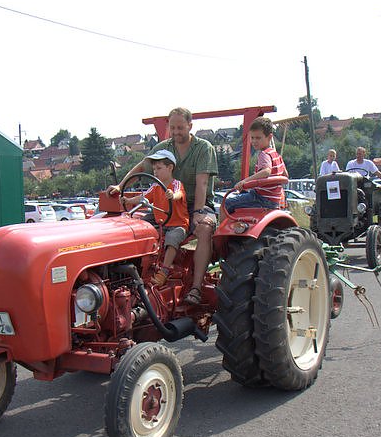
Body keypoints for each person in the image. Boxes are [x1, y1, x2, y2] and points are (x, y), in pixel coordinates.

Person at [107, 107, 218, 305]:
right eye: (172, 128)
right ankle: (137, 278)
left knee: (204, 228)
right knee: (136, 228)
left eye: (180, 128)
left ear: (190, 126)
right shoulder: (163, 148)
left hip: (196, 203)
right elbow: (142, 167)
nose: (176, 132)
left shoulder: (203, 148)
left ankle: (196, 288)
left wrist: (198, 212)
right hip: (165, 204)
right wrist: (120, 186)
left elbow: (202, 183)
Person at [122, 150, 189, 285]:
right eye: (154, 169)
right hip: (162, 223)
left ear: (170, 168)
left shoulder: (176, 184)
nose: (155, 172)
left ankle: (164, 272)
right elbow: (143, 198)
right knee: (139, 229)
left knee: (172, 238)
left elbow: (179, 194)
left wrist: (172, 195)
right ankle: (140, 266)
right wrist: (128, 201)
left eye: (159, 168)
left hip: (178, 224)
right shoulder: (155, 186)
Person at [224, 117, 288, 212]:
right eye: (252, 137)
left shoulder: (264, 154)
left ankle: (223, 222)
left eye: (258, 138)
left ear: (269, 137)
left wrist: (244, 181)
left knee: (226, 203)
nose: (254, 141)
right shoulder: (277, 156)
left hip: (261, 199)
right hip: (274, 201)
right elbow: (285, 175)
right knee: (243, 194)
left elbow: (266, 171)